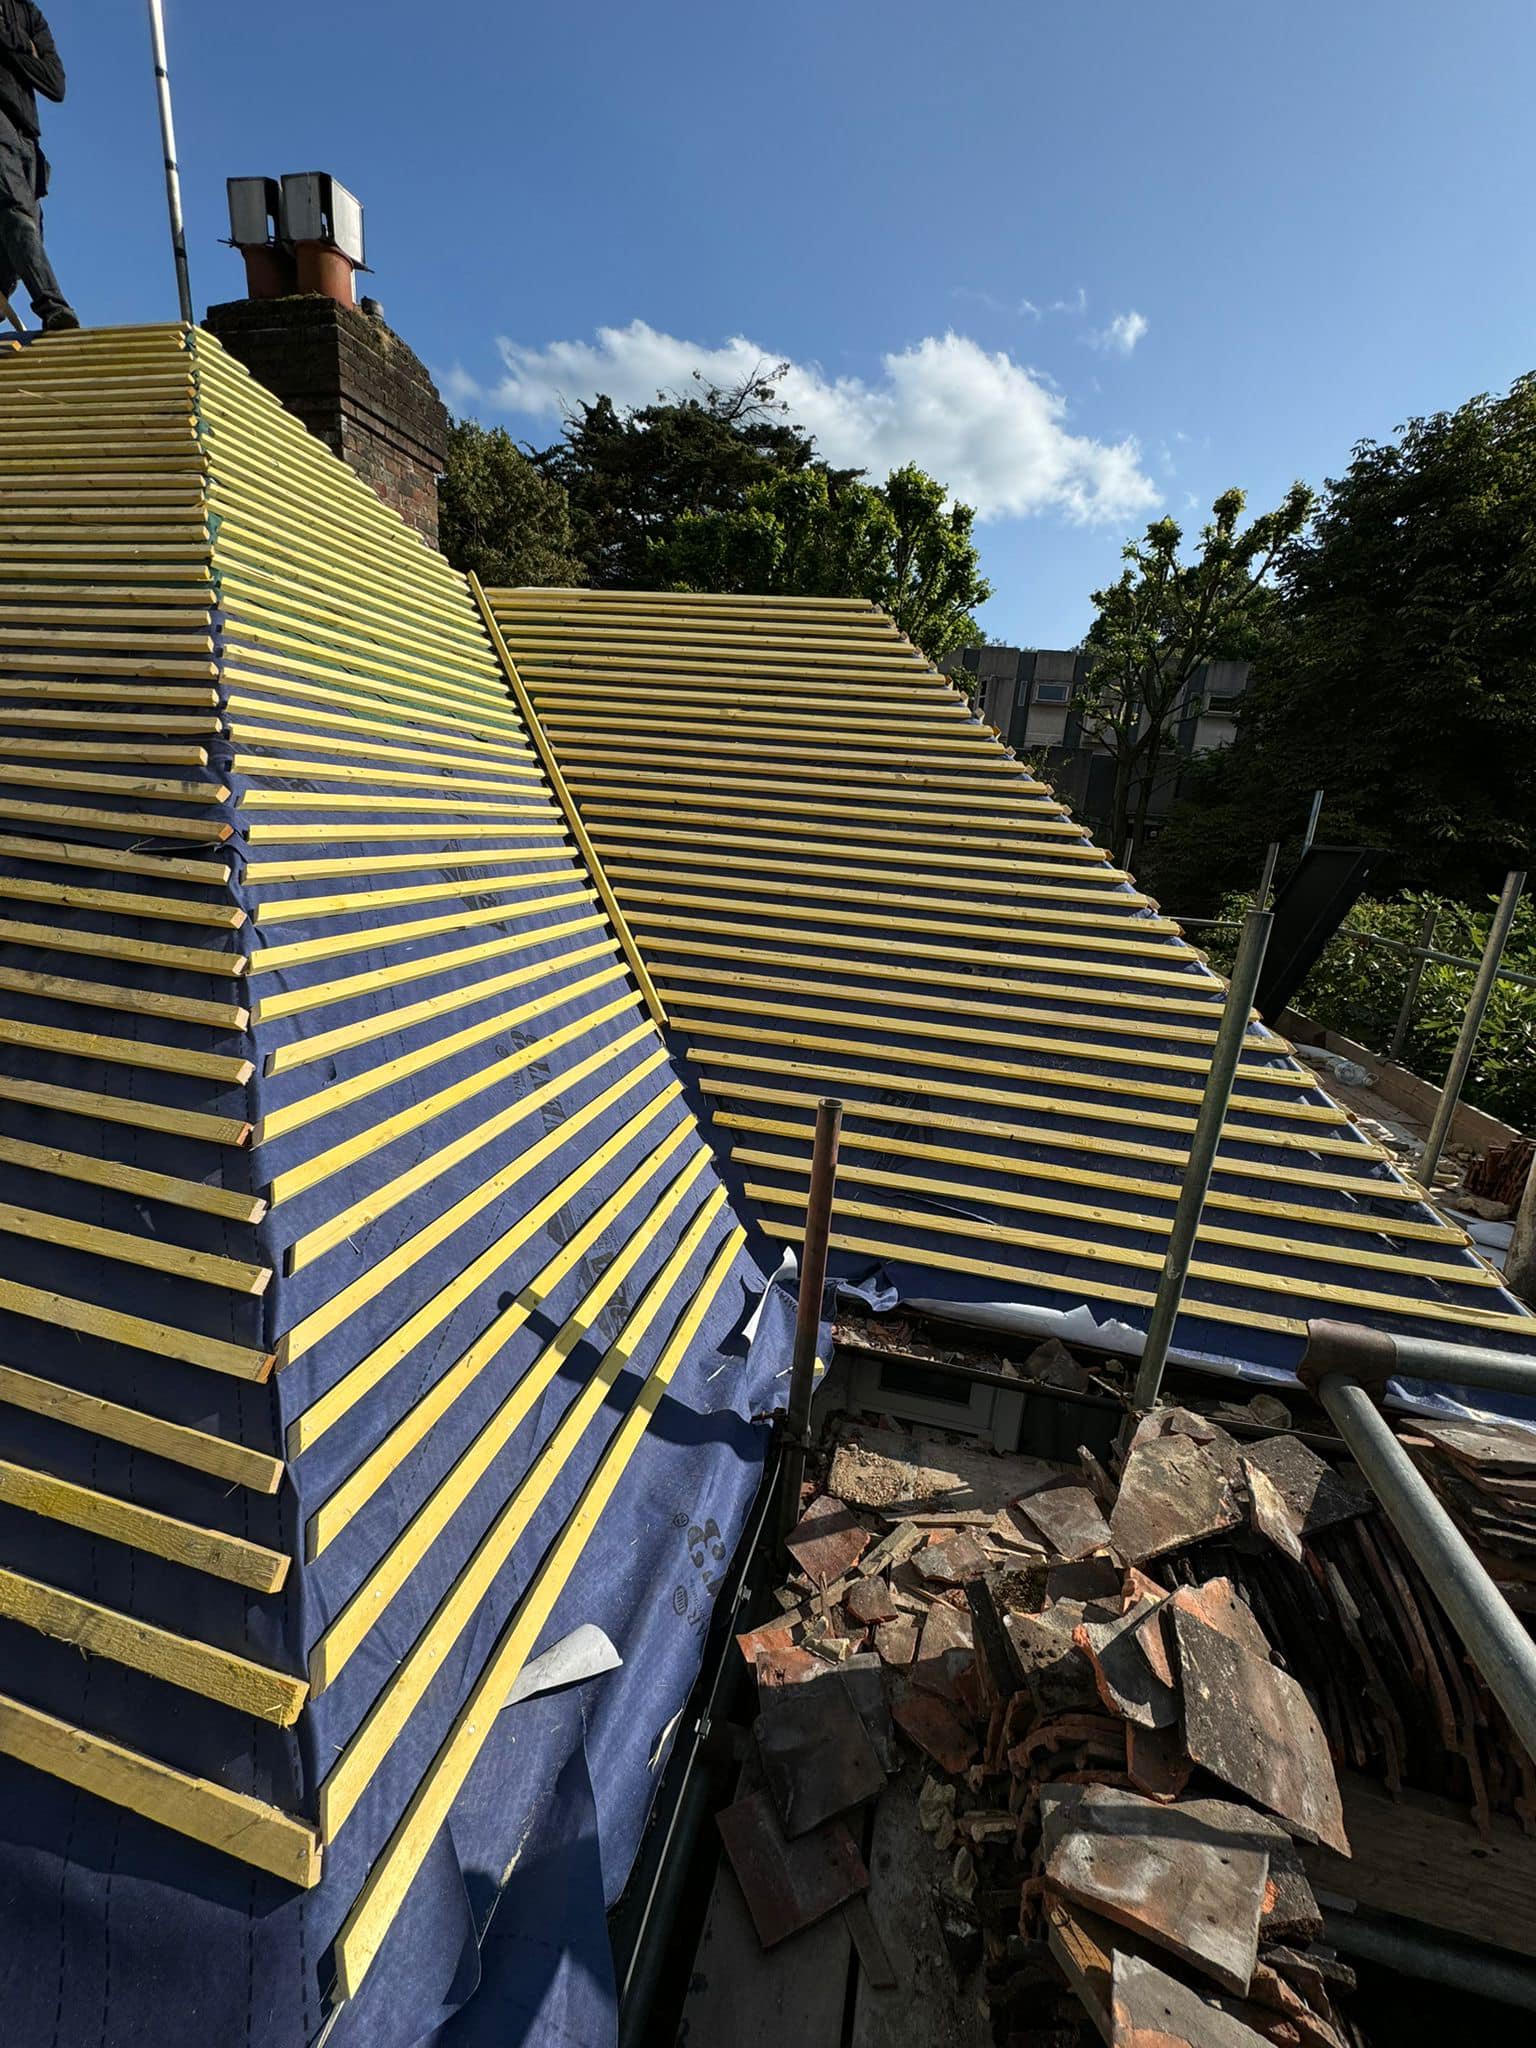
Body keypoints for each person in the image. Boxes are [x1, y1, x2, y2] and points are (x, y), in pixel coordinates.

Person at [0, 0, 76, 331]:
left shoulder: (30, 14)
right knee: (15, 213)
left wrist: (5, 46)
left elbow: (55, 84)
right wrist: (25, 53)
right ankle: (53, 307)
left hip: (28, 133)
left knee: (23, 237)